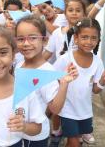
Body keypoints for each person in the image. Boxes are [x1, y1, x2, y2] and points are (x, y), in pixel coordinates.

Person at [15, 15, 78, 147]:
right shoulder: (19, 65)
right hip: (17, 132)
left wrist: (64, 84)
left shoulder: (47, 71)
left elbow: (55, 109)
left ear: (44, 41)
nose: (26, 43)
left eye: (32, 38)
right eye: (20, 39)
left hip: (35, 137)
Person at [53, 17, 105, 147]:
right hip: (67, 110)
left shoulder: (97, 62)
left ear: (98, 40)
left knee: (73, 142)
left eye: (93, 38)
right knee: (74, 142)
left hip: (85, 111)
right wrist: (63, 84)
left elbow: (96, 90)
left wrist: (103, 79)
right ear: (76, 38)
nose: (89, 42)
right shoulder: (65, 59)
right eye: (84, 37)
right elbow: (52, 80)